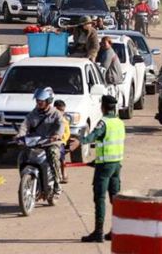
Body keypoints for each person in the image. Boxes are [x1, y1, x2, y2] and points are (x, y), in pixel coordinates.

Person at [70, 95, 125, 243]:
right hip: (116, 165)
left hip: (105, 166)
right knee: (115, 199)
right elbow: (111, 144)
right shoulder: (119, 122)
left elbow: (94, 136)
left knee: (99, 198)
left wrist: (79, 141)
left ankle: (98, 232)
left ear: (103, 107)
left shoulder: (104, 122)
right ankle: (116, 230)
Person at [17, 87, 63, 196]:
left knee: (53, 154)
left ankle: (57, 183)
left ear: (49, 101)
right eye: (37, 100)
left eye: (41, 101)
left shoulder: (56, 114)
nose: (39, 103)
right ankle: (26, 180)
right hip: (36, 142)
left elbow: (61, 126)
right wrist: (19, 135)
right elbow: (25, 125)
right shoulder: (33, 113)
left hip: (51, 142)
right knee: (22, 156)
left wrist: (57, 135)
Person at [53, 99, 71, 183]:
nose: (61, 113)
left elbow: (67, 133)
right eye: (59, 110)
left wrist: (62, 139)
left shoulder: (64, 121)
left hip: (60, 142)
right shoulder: (50, 119)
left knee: (62, 158)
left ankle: (64, 173)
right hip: (49, 141)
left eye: (62, 111)